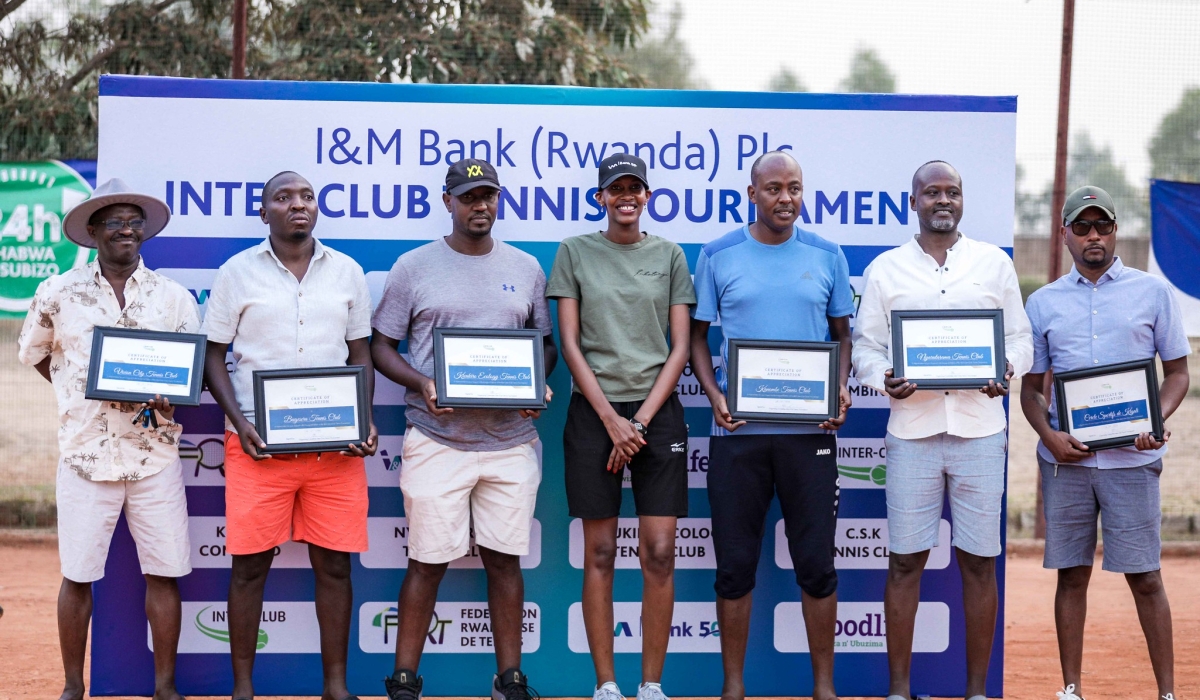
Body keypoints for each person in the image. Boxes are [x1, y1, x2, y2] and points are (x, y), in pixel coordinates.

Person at [372, 158, 556, 700]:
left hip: (509, 443)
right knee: (427, 561)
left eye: (489, 197)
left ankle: (510, 678)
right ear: (447, 201)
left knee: (504, 560)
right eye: (469, 197)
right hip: (436, 437)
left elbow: (543, 343)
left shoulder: (526, 268)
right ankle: (404, 679)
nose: (481, 206)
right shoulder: (413, 267)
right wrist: (423, 381)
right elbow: (381, 346)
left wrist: (537, 384)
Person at [851, 161, 1032, 700]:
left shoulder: (993, 264)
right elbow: (865, 347)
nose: (943, 200)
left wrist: (1006, 369)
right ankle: (899, 692)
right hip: (913, 430)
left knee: (979, 561)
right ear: (913, 202)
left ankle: (977, 693)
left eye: (952, 191)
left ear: (963, 200)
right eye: (932, 192)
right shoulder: (886, 270)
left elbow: (1020, 339)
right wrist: (882, 379)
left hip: (980, 430)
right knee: (905, 559)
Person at [18, 178, 198, 700]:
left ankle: (165, 688)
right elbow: (36, 355)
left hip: (154, 454)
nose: (126, 228)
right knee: (77, 576)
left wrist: (165, 396)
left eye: (134, 220)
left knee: (164, 574)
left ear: (145, 231)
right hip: (84, 454)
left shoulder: (173, 297)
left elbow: (187, 373)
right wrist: (82, 392)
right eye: (114, 220)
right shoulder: (57, 292)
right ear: (92, 231)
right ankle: (73, 687)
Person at [201, 171, 377, 700]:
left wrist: (363, 418)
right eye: (283, 197)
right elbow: (213, 355)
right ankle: (243, 689)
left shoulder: (346, 272)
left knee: (335, 565)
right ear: (264, 212)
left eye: (306, 197)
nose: (297, 205)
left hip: (335, 448)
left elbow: (361, 354)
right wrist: (239, 422)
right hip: (257, 444)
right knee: (250, 567)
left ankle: (336, 688)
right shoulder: (237, 273)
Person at [688, 151, 854, 700]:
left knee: (817, 566)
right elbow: (695, 339)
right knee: (734, 566)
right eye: (775, 188)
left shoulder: (828, 256)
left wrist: (839, 386)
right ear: (752, 194)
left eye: (796, 188)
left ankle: (823, 689)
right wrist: (714, 395)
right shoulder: (717, 255)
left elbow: (841, 335)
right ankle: (732, 689)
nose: (786, 198)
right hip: (738, 435)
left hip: (811, 436)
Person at [1021, 186, 1189, 700]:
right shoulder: (1043, 302)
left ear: (1115, 231)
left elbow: (1178, 373)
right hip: (1067, 463)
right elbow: (1031, 389)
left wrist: (1154, 420)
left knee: (1146, 577)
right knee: (1071, 576)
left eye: (1104, 226)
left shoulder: (1153, 293)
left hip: (1133, 460)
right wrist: (1049, 436)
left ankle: (1166, 693)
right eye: (1083, 227)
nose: (1094, 236)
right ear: (1065, 234)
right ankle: (1071, 688)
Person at [546, 153, 696, 700]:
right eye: (616, 188)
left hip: (655, 414)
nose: (626, 196)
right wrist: (612, 420)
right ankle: (606, 685)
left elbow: (680, 347)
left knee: (658, 551)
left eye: (636, 188)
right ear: (601, 198)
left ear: (648, 196)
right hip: (594, 414)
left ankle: (650, 684)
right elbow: (569, 343)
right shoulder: (574, 252)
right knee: (601, 552)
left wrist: (638, 422)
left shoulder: (671, 255)